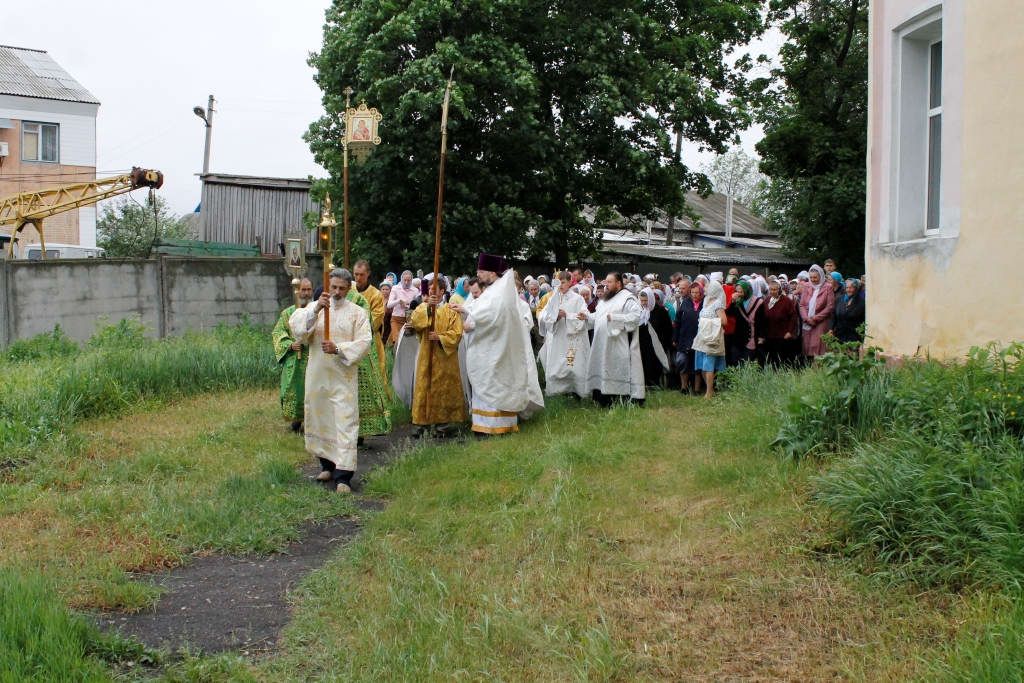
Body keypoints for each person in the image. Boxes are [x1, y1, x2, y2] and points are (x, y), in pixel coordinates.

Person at [289, 269, 372, 493]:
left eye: (341, 288)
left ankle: (343, 476)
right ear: (328, 286)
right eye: (333, 287)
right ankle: (326, 465)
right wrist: (316, 309)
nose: (336, 292)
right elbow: (297, 330)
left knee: (344, 422)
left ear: (348, 289)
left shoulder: (357, 313)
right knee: (320, 418)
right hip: (318, 376)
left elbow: (365, 342)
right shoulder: (315, 308)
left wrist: (338, 348)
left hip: (342, 378)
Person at [462, 254, 542, 435]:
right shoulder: (492, 289)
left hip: (497, 348)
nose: (478, 274)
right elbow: (483, 311)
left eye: (481, 271)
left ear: (491, 272)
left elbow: (491, 315)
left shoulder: (501, 290)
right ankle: (483, 425)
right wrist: (466, 311)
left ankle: (496, 426)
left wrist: (468, 315)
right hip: (488, 347)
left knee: (495, 382)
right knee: (486, 382)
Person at [407, 275, 467, 437]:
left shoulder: (451, 311)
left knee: (444, 388)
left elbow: (457, 333)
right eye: (430, 290)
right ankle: (421, 424)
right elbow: (415, 321)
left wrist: (440, 337)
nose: (433, 293)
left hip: (445, 359)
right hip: (426, 355)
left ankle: (444, 425)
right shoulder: (423, 307)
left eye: (436, 290)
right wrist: (428, 308)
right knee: (424, 387)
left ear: (442, 291)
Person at [583, 272, 644, 406]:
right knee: (602, 367)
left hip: (617, 343)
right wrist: (587, 316)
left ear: (618, 283)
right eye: (606, 282)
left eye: (610, 282)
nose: (607, 285)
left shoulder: (627, 298)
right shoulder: (605, 299)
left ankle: (618, 400)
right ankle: (601, 398)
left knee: (615, 369)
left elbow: (635, 317)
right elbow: (599, 316)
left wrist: (616, 318)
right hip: (601, 343)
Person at [537, 271, 591, 398]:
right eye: (558, 282)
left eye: (563, 282)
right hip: (556, 338)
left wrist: (567, 315)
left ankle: (576, 390)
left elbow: (584, 315)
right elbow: (543, 317)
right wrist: (555, 317)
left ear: (569, 282)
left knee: (572, 364)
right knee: (556, 364)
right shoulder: (552, 299)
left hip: (571, 338)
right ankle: (556, 391)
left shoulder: (577, 299)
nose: (560, 285)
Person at [273, 278, 313, 432]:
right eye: (303, 290)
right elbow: (278, 332)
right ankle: (296, 420)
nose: (306, 293)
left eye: (309, 290)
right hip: (294, 360)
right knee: (294, 390)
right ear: (298, 291)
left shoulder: (318, 310)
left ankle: (312, 422)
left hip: (312, 358)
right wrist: (290, 344)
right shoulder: (287, 313)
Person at [691, 279, 728, 399]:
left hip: (712, 338)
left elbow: (724, 321)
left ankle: (709, 392)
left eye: (707, 287)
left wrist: (707, 322)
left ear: (713, 289)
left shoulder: (718, 303)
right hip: (703, 337)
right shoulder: (706, 301)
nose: (704, 288)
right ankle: (709, 389)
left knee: (709, 365)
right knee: (702, 365)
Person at [353, 259, 388, 379]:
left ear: (368, 274)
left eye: (361, 274)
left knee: (374, 375)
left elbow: (376, 320)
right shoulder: (348, 290)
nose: (358, 278)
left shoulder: (376, 294)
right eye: (356, 274)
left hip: (370, 340)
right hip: (349, 338)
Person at [799, 264, 837, 358]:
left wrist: (815, 318)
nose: (813, 280)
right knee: (807, 345)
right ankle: (808, 368)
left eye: (815, 277)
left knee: (818, 346)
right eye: (811, 277)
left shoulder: (828, 287)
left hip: (821, 322)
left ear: (820, 276)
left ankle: (819, 368)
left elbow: (830, 306)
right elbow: (802, 305)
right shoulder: (807, 286)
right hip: (807, 321)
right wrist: (806, 318)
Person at [758, 279, 798, 367]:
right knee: (771, 358)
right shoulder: (767, 300)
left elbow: (793, 317)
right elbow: (762, 318)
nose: (772, 291)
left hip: (782, 335)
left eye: (775, 289)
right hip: (769, 335)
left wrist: (789, 331)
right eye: (771, 289)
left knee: (781, 358)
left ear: (779, 289)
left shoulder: (787, 301)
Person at [673, 281, 703, 394]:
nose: (695, 295)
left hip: (699, 339)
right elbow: (677, 321)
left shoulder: (705, 303)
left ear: (701, 293)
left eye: (697, 293)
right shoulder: (685, 303)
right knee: (682, 363)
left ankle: (696, 389)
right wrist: (675, 338)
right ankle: (684, 387)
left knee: (697, 365)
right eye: (692, 292)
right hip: (684, 338)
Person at [832, 278, 866, 344]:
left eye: (851, 288)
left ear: (856, 288)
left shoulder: (861, 302)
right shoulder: (839, 299)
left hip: (854, 336)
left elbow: (863, 320)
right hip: (839, 334)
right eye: (847, 287)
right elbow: (834, 315)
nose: (848, 290)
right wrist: (831, 328)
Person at [379, 281, 393, 346]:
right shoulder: (377, 300)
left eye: (387, 289)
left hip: (388, 325)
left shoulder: (392, 301)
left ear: (390, 290)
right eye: (383, 289)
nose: (385, 291)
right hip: (379, 324)